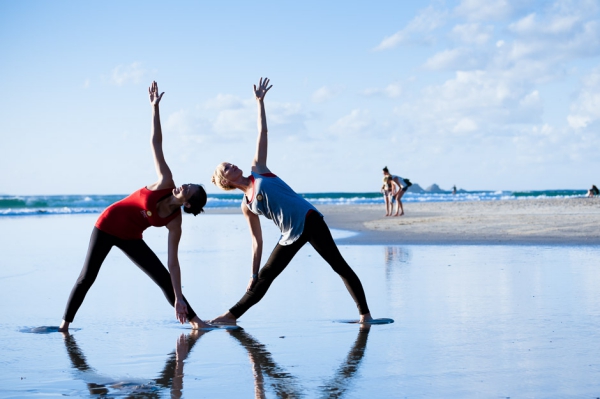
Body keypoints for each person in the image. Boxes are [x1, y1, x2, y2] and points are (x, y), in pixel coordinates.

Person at [210, 77, 373, 325]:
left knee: (339, 266)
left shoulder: (259, 170)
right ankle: (229, 317)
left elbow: (262, 132)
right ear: (226, 182)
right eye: (226, 168)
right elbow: (256, 240)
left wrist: (260, 103)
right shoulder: (247, 204)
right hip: (289, 234)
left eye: (229, 163)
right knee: (264, 276)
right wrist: (252, 272)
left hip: (310, 220)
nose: (231, 165)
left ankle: (365, 316)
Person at [58, 81, 211, 332]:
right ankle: (64, 325)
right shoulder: (165, 181)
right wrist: (155, 109)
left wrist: (179, 297)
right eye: (187, 183)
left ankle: (196, 322)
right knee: (88, 276)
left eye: (188, 189)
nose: (183, 186)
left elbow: (173, 264)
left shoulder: (175, 222)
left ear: (189, 202)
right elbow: (156, 144)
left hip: (130, 236)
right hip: (107, 225)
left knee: (163, 277)